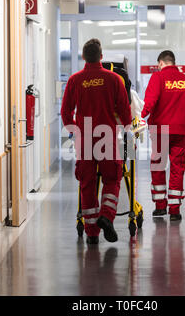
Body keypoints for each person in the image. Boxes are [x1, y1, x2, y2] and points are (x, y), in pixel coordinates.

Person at [61, 39, 132, 244]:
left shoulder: (75, 80)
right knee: (112, 178)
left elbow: (66, 112)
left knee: (87, 183)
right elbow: (124, 109)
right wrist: (127, 128)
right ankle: (107, 215)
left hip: (84, 140)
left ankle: (92, 233)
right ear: (101, 57)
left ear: (83, 57)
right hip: (107, 137)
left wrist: (75, 131)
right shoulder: (113, 79)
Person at [141, 50, 185, 221]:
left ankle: (160, 206)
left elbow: (150, 101)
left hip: (160, 131)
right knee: (177, 168)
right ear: (173, 61)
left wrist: (139, 117)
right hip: (181, 131)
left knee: (158, 166)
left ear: (161, 63)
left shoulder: (157, 78)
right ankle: (174, 210)